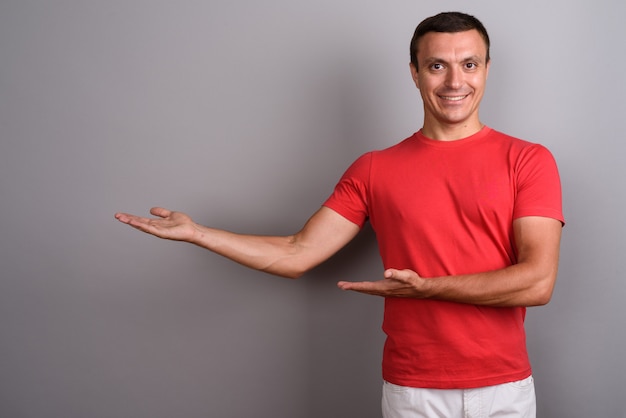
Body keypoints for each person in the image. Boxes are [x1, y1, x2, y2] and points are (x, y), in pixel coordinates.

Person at [115, 11, 563, 418]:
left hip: (504, 387)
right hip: (412, 389)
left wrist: (427, 289)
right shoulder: (375, 168)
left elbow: (537, 281)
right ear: (414, 73)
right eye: (436, 65)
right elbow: (297, 253)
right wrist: (199, 234)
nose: (453, 82)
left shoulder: (527, 160)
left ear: (486, 70)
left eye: (469, 64)